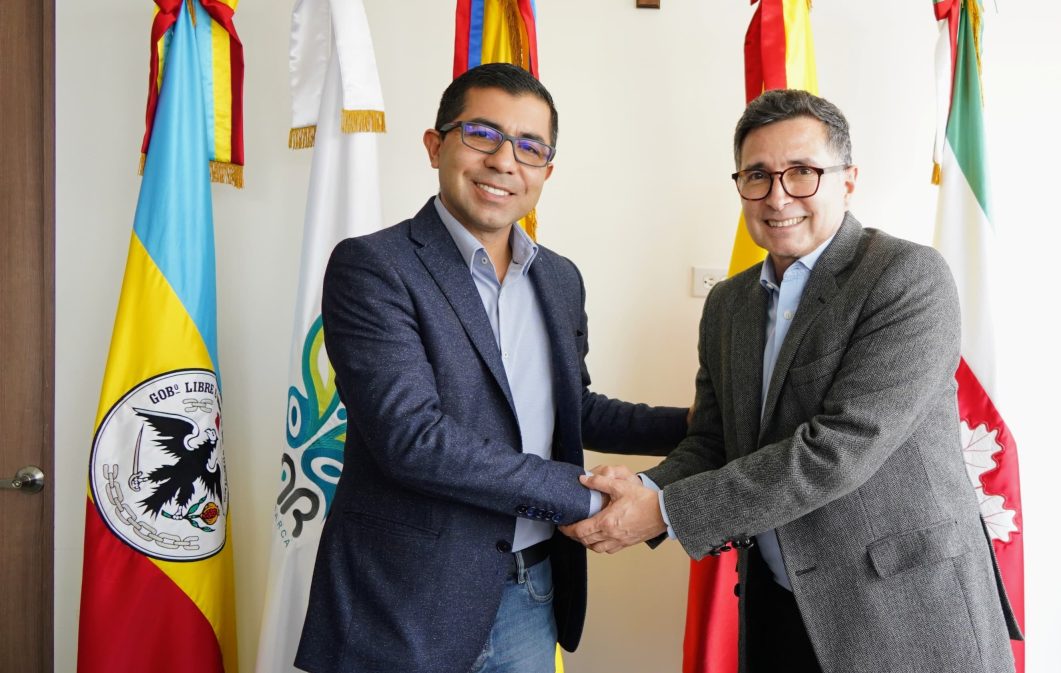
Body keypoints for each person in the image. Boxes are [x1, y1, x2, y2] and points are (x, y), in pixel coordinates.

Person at [563, 89, 1022, 673]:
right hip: (778, 607)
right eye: (757, 175)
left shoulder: (907, 276)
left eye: (802, 172)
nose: (778, 196)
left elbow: (838, 450)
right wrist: (643, 491)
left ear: (848, 180)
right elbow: (713, 442)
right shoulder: (728, 305)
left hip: (903, 612)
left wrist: (663, 511)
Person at [295, 63, 688, 673]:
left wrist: (702, 424)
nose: (505, 161)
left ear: (546, 172)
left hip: (532, 592)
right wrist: (591, 502)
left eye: (530, 147)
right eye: (482, 134)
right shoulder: (373, 267)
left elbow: (571, 409)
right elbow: (414, 440)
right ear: (436, 146)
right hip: (405, 599)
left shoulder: (559, 278)